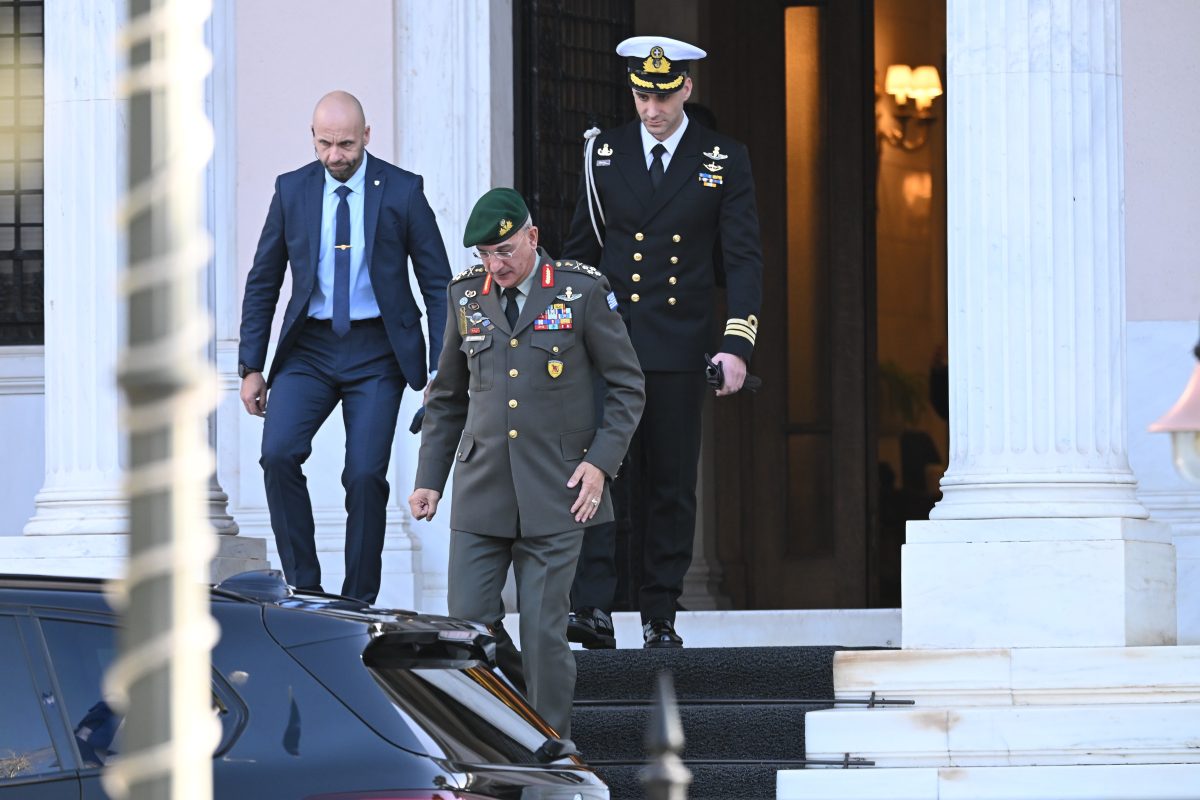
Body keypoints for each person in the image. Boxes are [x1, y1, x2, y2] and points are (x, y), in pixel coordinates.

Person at [409, 188, 644, 737]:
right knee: (468, 627)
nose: (496, 265)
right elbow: (447, 398)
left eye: (505, 251)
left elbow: (628, 385)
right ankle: (516, 720)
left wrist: (600, 464)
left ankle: (552, 756)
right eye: (484, 255)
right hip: (481, 487)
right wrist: (429, 480)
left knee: (543, 632)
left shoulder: (580, 291)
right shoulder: (465, 296)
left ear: (532, 237)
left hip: (558, 489)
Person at [563, 36, 764, 649]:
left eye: (663, 96)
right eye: (641, 96)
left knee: (669, 485)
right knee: (597, 475)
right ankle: (592, 606)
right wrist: (563, 336)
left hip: (679, 345)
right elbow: (581, 255)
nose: (651, 109)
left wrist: (737, 345)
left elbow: (743, 258)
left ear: (686, 89)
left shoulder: (722, 157)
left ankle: (659, 613)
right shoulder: (603, 153)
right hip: (609, 345)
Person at [239, 91, 452, 604]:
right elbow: (264, 280)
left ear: (367, 136)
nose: (335, 155)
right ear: (313, 138)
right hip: (308, 349)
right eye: (325, 144)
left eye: (347, 145)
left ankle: (356, 602)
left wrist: (440, 371)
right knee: (277, 454)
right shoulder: (291, 190)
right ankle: (305, 589)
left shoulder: (402, 190)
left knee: (363, 474)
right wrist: (251, 365)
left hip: (377, 350)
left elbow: (438, 284)